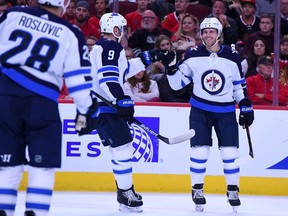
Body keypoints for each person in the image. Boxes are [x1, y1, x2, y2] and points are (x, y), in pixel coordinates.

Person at [0, 0, 96, 215]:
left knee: (6, 166)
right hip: (42, 106)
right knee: (42, 168)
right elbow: (78, 81)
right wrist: (85, 111)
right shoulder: (71, 32)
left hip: (4, 99)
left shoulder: (12, 15)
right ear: (64, 4)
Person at [164, 17, 254, 212]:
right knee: (199, 151)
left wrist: (245, 105)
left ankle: (233, 190)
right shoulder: (192, 54)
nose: (207, 35)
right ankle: (197, 189)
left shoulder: (232, 55)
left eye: (211, 31)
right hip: (200, 110)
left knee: (230, 153)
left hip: (225, 111)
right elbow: (177, 84)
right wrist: (171, 69)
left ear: (219, 34)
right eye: (204, 31)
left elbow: (238, 86)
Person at [89, 12, 166, 212]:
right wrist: (121, 99)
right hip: (106, 107)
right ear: (116, 29)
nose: (125, 32)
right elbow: (109, 77)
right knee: (123, 146)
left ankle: (123, 193)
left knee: (118, 149)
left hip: (100, 107)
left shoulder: (102, 47)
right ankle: (125, 193)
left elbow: (120, 70)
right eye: (122, 28)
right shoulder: (111, 46)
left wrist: (146, 58)